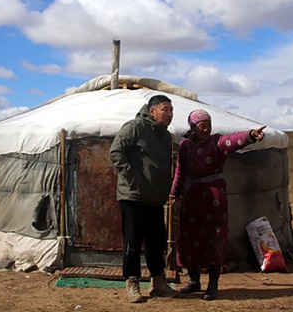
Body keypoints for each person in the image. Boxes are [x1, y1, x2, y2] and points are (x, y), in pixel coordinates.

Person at [170, 109, 266, 301]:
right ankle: (194, 281)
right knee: (189, 238)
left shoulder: (216, 142)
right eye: (202, 126)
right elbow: (180, 171)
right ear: (193, 127)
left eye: (209, 125)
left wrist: (250, 135)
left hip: (214, 197)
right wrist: (174, 192)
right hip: (192, 197)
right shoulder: (185, 146)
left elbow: (232, 141)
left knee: (214, 238)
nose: (206, 129)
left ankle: (213, 285)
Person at [109, 94, 180, 303]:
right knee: (133, 241)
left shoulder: (166, 136)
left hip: (155, 197)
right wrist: (131, 177)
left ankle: (158, 283)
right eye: (165, 109)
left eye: (171, 110)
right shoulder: (134, 127)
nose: (170, 114)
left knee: (156, 242)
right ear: (152, 111)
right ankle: (132, 283)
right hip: (134, 196)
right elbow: (116, 152)